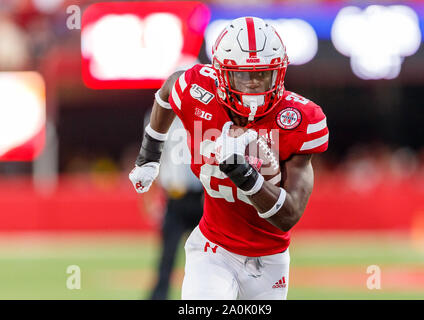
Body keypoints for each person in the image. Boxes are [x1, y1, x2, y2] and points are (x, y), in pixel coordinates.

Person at [129, 17, 329, 300]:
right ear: (220, 73)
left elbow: (288, 216)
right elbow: (168, 90)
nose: (253, 86)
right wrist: (149, 154)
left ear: (279, 72)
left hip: (269, 258)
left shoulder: (298, 119)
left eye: (263, 74)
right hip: (213, 248)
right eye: (243, 76)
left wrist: (243, 173)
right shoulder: (198, 90)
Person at [150, 117, 203, 300]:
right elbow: (153, 158)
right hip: (174, 197)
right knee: (167, 255)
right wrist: (152, 199)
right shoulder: (157, 114)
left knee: (210, 257)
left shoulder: (203, 112)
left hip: (203, 197)